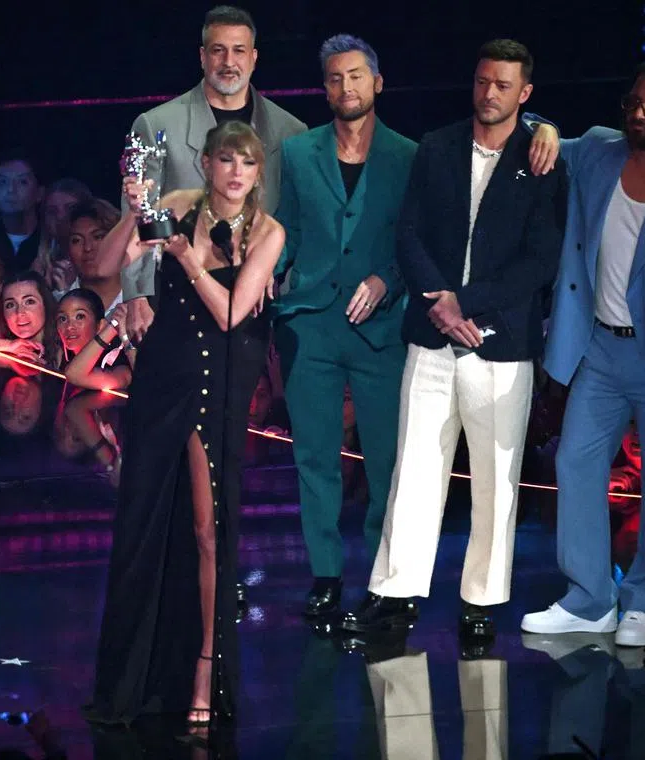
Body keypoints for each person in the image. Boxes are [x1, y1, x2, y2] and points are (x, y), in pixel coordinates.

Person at [339, 40, 566, 646]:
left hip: (502, 344)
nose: (489, 93)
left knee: (498, 477)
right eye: (482, 81)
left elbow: (540, 259)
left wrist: (469, 303)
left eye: (503, 85)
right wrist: (442, 302)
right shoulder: (436, 147)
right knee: (415, 468)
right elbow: (408, 232)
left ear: (525, 94)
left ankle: (481, 604)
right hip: (432, 335)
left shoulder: (543, 159)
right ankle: (394, 592)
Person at [519, 59, 645, 647]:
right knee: (575, 462)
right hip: (600, 349)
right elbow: (538, 127)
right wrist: (546, 128)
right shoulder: (599, 152)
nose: (638, 114)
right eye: (633, 103)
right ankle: (589, 598)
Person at [85, 121, 283, 729]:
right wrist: (135, 208)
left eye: (246, 165)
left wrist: (188, 259)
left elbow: (230, 313)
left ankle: (204, 665)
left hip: (223, 374)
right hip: (167, 370)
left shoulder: (267, 232)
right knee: (146, 514)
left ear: (257, 173)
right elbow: (104, 266)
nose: (235, 174)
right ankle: (132, 675)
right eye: (225, 161)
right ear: (205, 164)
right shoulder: (176, 206)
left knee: (207, 528)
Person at [272, 34, 416, 618]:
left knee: (385, 460)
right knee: (315, 456)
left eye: (356, 76)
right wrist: (272, 276)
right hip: (311, 322)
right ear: (324, 87)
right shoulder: (299, 152)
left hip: (380, 328)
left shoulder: (409, 155)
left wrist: (387, 279)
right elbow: (287, 228)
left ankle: (384, 575)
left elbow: (418, 241)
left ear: (377, 83)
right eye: (334, 78)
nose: (345, 87)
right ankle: (326, 574)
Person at [109, 5, 306, 346]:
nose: (229, 62)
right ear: (203, 56)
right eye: (218, 50)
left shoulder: (291, 131)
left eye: (239, 51)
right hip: (176, 294)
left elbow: (292, 216)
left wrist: (268, 271)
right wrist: (137, 295)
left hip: (258, 298)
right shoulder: (158, 124)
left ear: (254, 57)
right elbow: (137, 211)